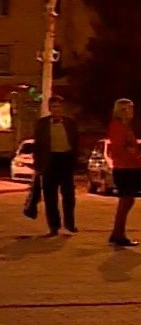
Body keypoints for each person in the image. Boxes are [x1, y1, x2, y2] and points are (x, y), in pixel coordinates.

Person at [31, 95, 80, 236]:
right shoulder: (42, 124)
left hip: (65, 160)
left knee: (69, 195)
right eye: (53, 107)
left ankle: (70, 224)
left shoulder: (70, 123)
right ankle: (54, 226)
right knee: (50, 196)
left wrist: (74, 160)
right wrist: (38, 166)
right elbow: (38, 145)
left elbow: (75, 142)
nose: (56, 110)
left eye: (58, 106)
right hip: (49, 160)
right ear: (49, 108)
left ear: (62, 108)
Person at [106, 98, 141, 247]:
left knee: (128, 200)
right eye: (125, 109)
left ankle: (117, 233)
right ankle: (118, 234)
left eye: (131, 108)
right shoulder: (117, 126)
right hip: (124, 168)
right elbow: (118, 147)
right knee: (126, 200)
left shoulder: (127, 127)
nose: (129, 112)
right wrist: (132, 151)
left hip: (130, 167)